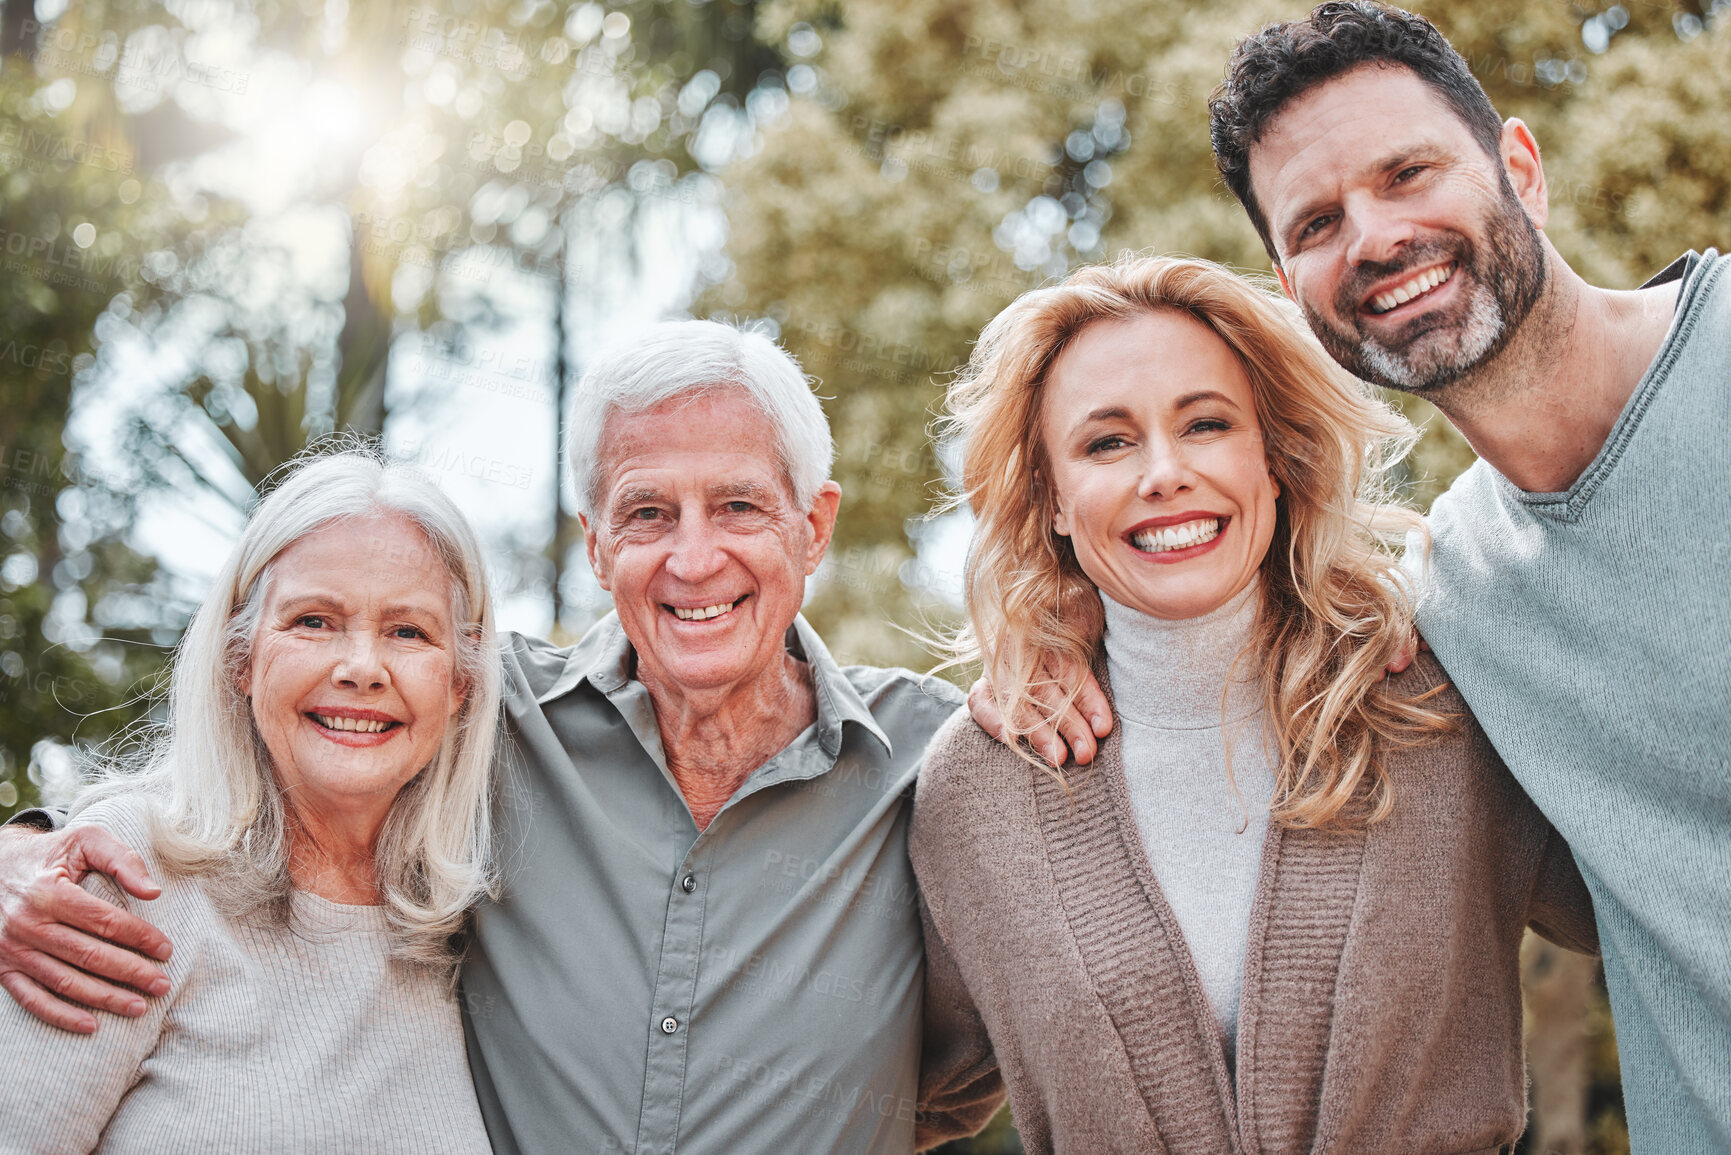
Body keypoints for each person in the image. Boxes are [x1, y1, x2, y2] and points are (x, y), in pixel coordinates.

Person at [975, 3, 1731, 1148]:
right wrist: (1058, 625)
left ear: (1520, 168)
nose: (1374, 238)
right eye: (1320, 220)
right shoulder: (1452, 604)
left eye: (1408, 172)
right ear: (1292, 282)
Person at [0, 321, 1002, 1153]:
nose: (694, 558)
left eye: (738, 505)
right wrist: (25, 851)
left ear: (813, 525)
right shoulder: (485, 714)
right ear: (596, 545)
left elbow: (976, 1060)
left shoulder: (935, 762)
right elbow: (291, 754)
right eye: (647, 513)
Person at [917, 253, 1597, 1152]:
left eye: (1204, 424)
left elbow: (1663, 905)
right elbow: (881, 1089)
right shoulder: (981, 783)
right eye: (1106, 441)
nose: (1163, 472)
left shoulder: (1438, 696)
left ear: (1273, 458)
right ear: (1050, 496)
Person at [0, 450, 500, 1152]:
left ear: (460, 682)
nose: (361, 667)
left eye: (408, 631)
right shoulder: (131, 875)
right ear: (240, 656)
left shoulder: (474, 922)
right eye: (314, 621)